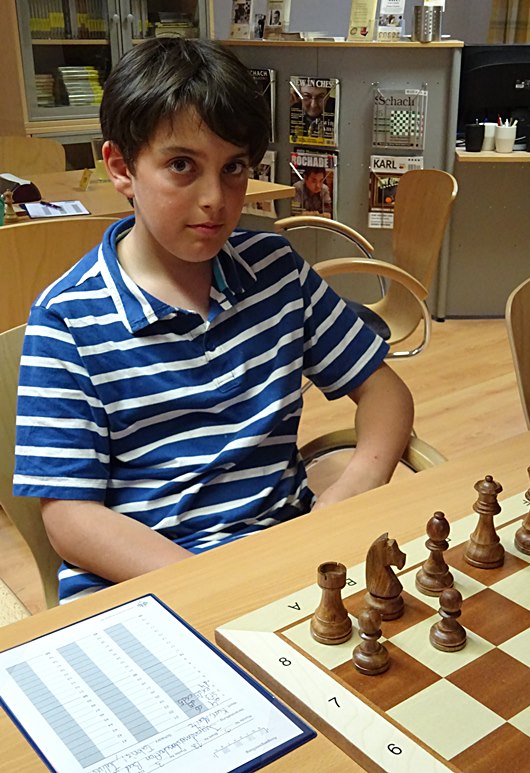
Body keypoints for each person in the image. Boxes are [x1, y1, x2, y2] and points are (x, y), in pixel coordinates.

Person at [14, 38, 413, 604]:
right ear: (122, 167)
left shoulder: (276, 271)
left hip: (284, 561)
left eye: (234, 168)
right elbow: (70, 519)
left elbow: (385, 393)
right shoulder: (66, 319)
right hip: (143, 583)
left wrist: (351, 489)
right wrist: (218, 585)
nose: (215, 199)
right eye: (182, 165)